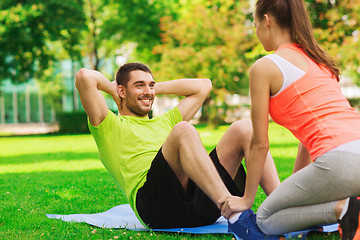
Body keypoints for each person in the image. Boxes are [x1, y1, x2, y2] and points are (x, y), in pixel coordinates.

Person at [75, 62, 280, 229]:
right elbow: (85, 77)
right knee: (183, 130)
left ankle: (281, 206)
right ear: (121, 90)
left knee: (245, 128)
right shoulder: (109, 125)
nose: (148, 92)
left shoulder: (165, 121)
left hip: (201, 204)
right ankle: (233, 212)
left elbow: (204, 85)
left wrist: (151, 89)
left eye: (151, 85)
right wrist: (114, 90)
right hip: (156, 208)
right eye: (139, 85)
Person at [221, 0, 360, 239]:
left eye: (255, 24)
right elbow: (307, 137)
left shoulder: (265, 67)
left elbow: (259, 143)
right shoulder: (319, 60)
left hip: (340, 162)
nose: (256, 32)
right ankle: (348, 207)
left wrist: (247, 199)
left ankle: (345, 209)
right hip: (348, 155)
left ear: (266, 21)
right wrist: (297, 183)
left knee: (265, 218)